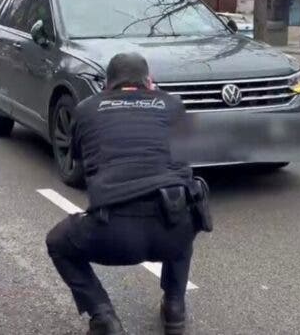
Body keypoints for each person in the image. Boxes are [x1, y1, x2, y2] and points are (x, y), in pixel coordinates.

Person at [45, 53, 212, 335]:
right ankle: (175, 306)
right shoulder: (174, 105)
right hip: (172, 231)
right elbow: (188, 161)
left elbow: (79, 163)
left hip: (113, 233)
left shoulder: (86, 109)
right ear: (150, 82)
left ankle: (103, 317)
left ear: (107, 85)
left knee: (58, 242)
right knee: (184, 210)